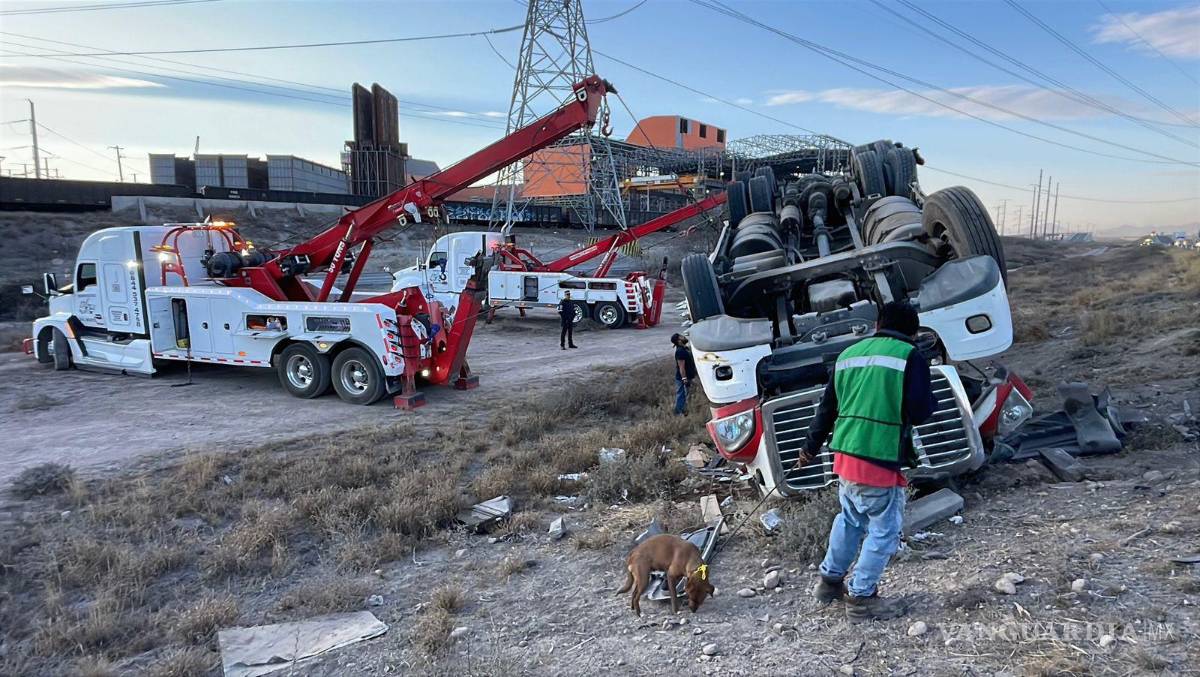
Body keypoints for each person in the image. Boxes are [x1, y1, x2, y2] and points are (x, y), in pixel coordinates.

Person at [798, 301, 936, 623]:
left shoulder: (848, 354)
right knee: (884, 531)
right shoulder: (909, 356)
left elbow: (826, 409)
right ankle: (861, 598)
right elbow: (920, 411)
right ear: (914, 332)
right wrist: (932, 400)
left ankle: (829, 583)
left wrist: (809, 448)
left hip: (845, 456)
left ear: (877, 325)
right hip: (879, 457)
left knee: (849, 519)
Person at [671, 333, 697, 415]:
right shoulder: (680, 351)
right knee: (681, 395)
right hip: (682, 378)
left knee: (687, 394)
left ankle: (685, 410)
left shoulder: (684, 348)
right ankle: (678, 412)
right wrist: (684, 379)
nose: (684, 337)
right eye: (681, 336)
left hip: (688, 376)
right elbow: (681, 367)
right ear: (679, 341)